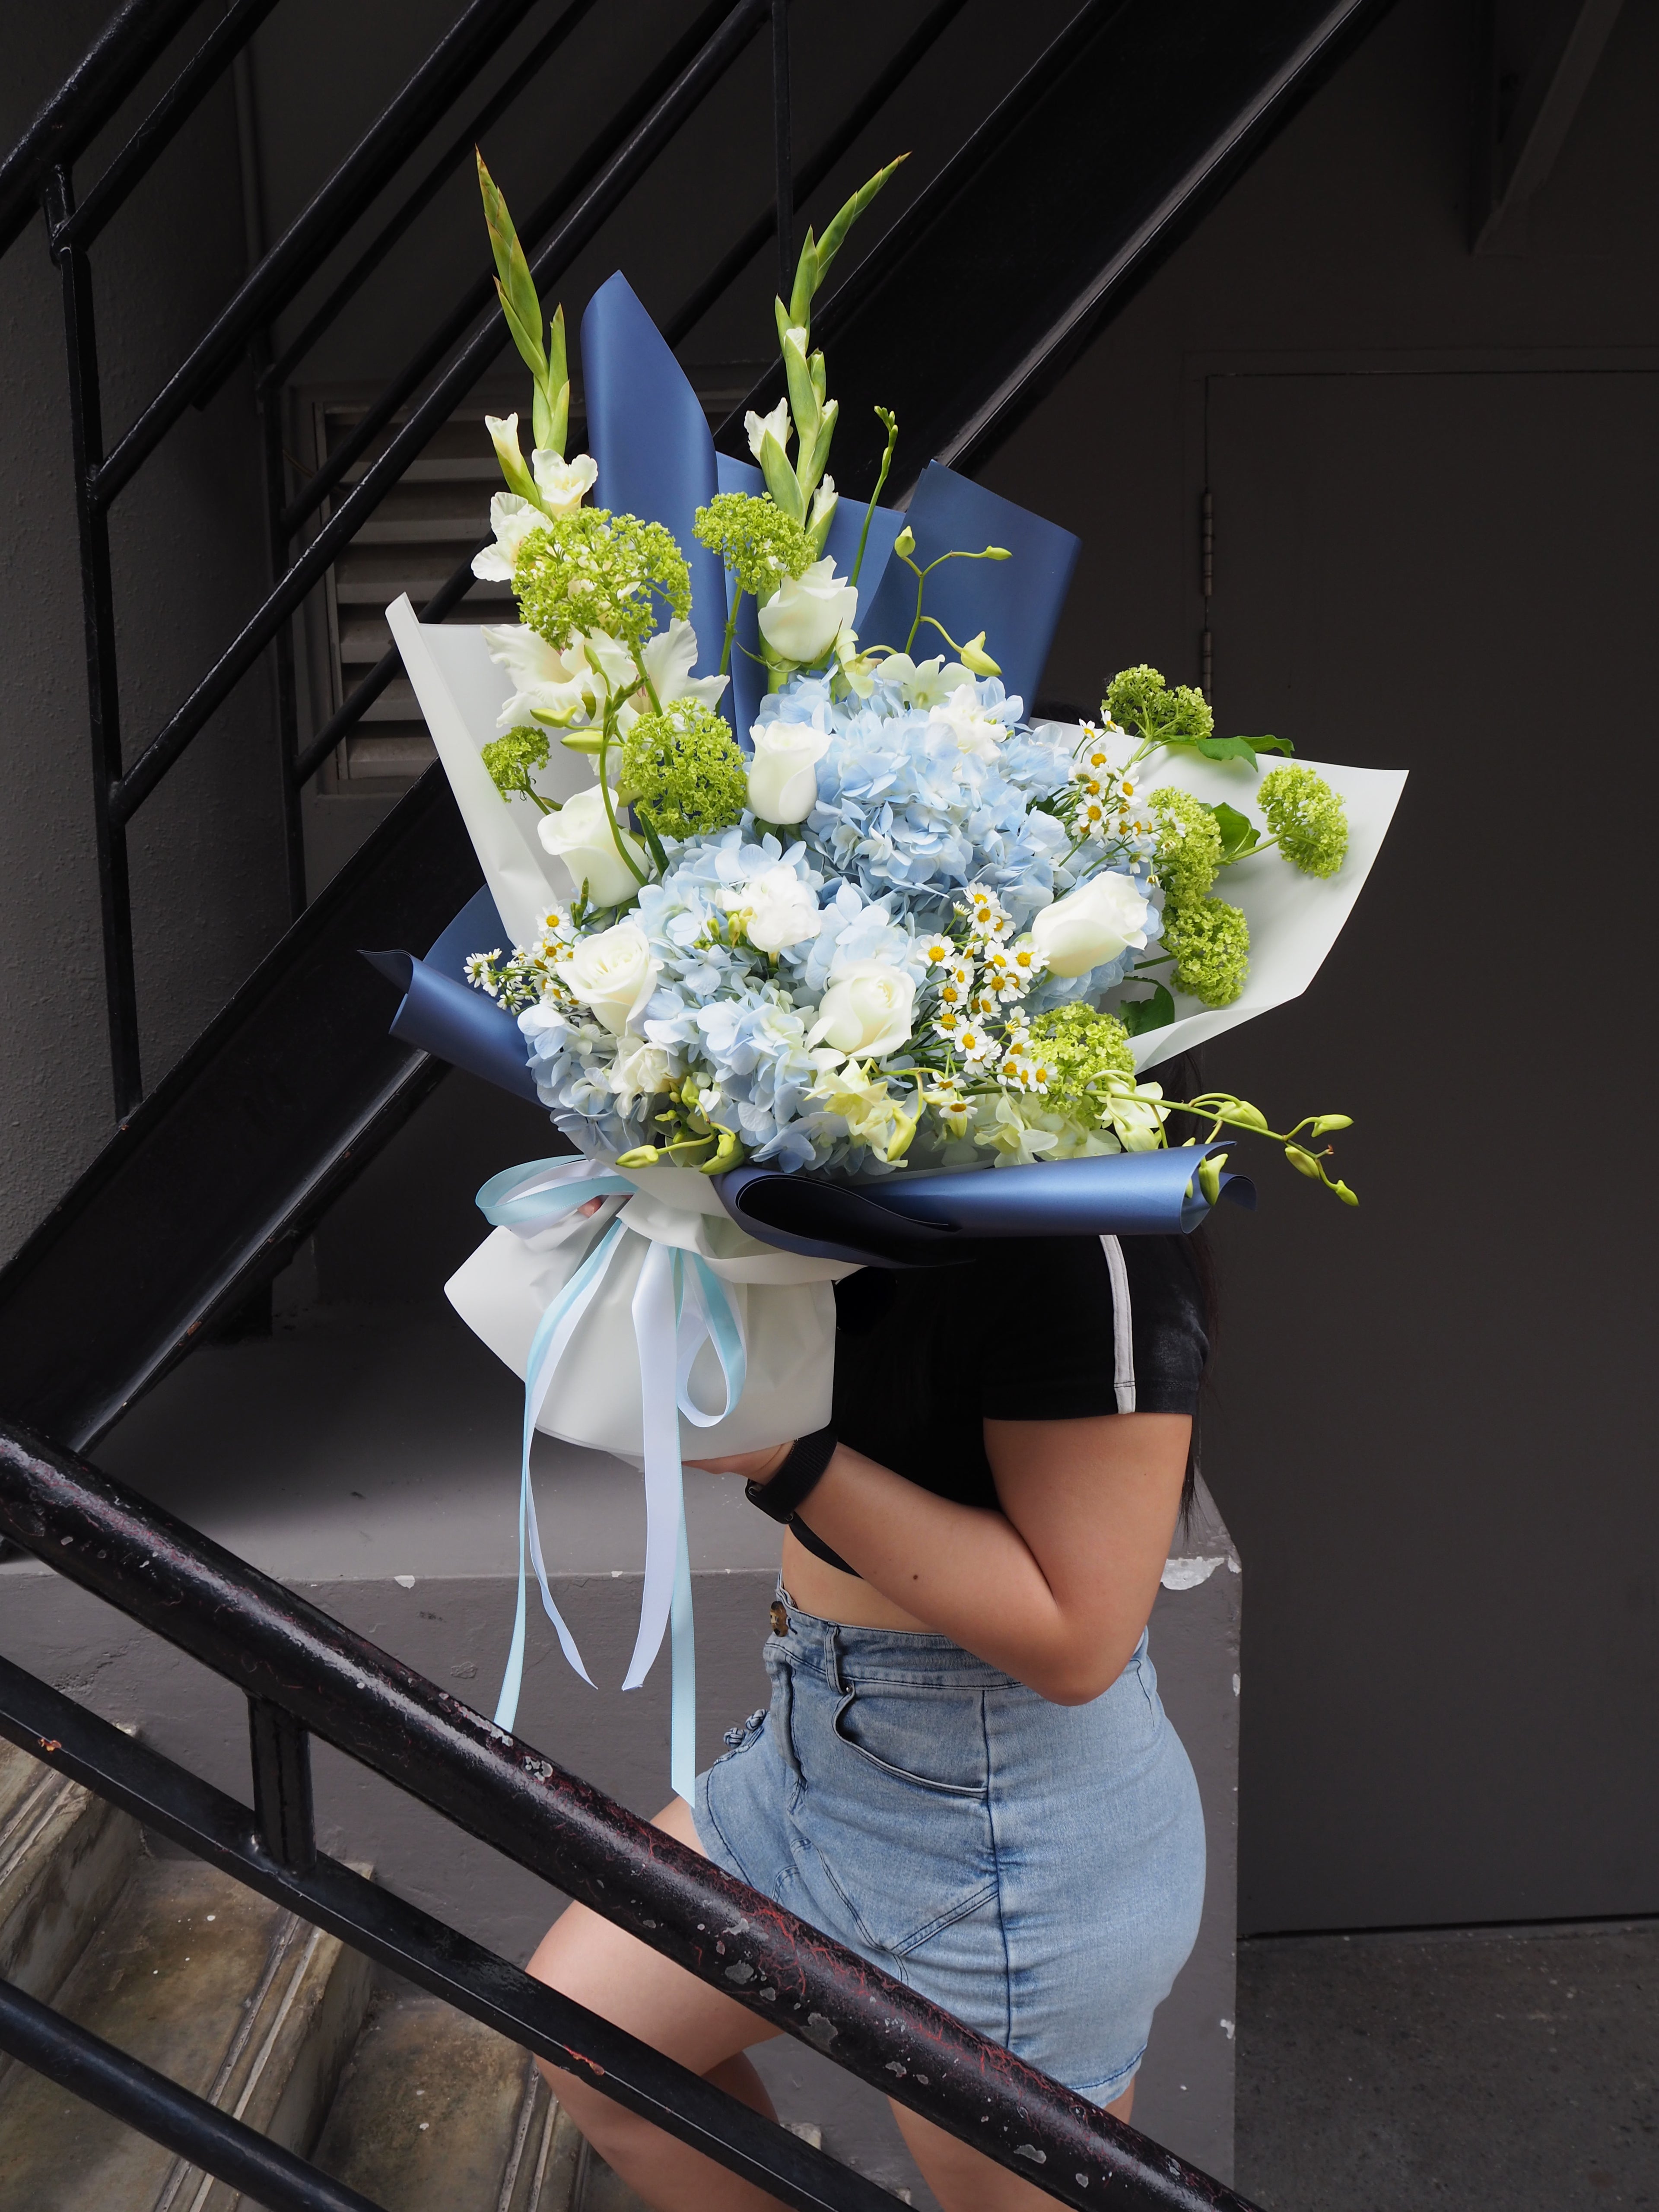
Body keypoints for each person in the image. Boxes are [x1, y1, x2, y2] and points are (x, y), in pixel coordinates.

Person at [526, 1213, 1210, 2212]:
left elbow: (1080, 1640)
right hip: (816, 1748)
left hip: (998, 1824)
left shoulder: (1091, 1231)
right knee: (594, 2028)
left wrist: (784, 1458)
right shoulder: (856, 1161)